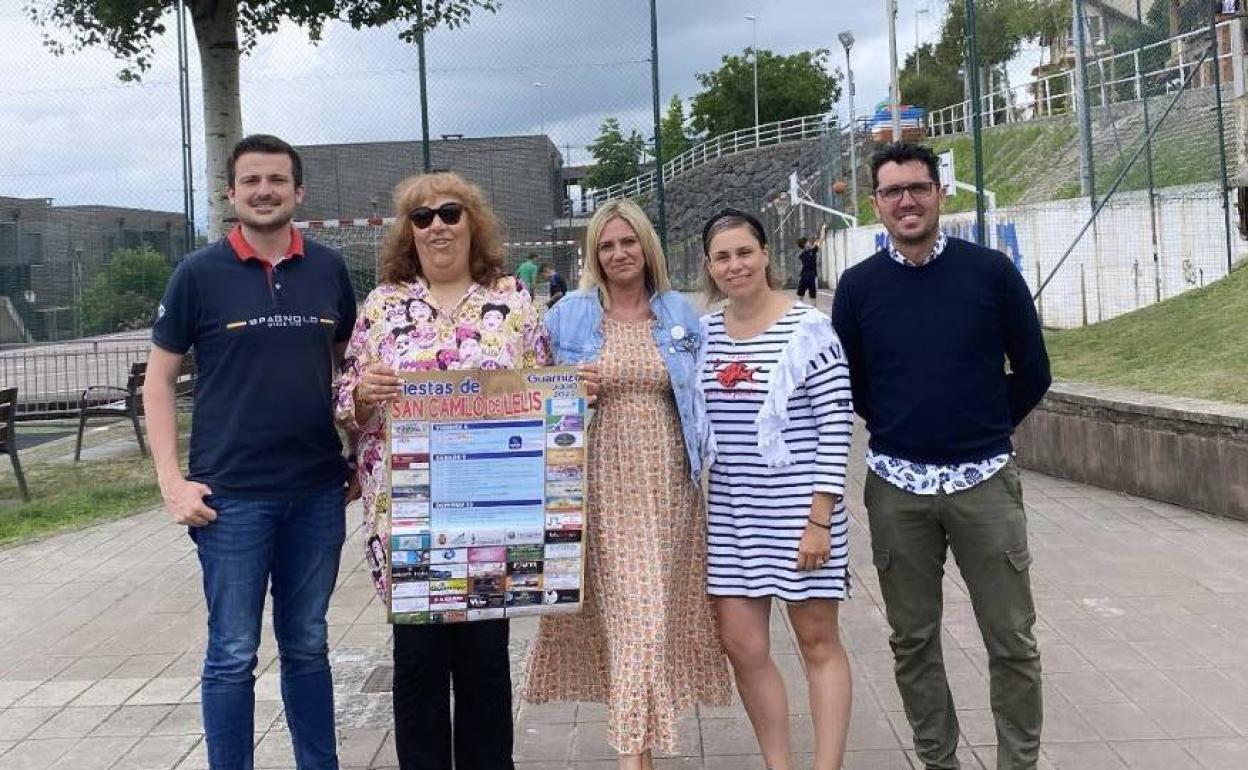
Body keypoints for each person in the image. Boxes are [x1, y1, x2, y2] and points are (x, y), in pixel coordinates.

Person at [831, 142, 1051, 770]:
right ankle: (939, 761)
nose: (907, 201)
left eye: (918, 188)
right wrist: (904, 426)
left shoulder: (991, 273)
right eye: (893, 191)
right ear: (876, 204)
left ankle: (1019, 762)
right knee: (913, 640)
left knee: (1011, 639)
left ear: (940, 193)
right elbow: (853, 382)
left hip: (985, 481)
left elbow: (1033, 370)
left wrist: (981, 427)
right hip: (897, 488)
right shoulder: (857, 288)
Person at [144, 134, 358, 770]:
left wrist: (355, 452)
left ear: (299, 193)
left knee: (308, 645)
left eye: (277, 180)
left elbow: (347, 366)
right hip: (231, 500)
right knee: (233, 652)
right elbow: (158, 381)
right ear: (231, 193)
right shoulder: (198, 275)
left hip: (318, 493)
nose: (264, 191)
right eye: (251, 181)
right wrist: (171, 483)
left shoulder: (328, 268)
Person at [334, 171, 549, 770]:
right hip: (410, 519)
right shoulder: (382, 305)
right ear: (409, 231)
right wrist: (363, 393)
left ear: (472, 222)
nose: (437, 227)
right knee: (420, 669)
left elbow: (544, 385)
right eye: (422, 217)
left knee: (485, 667)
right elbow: (344, 394)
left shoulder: (512, 300)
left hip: (493, 520)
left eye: (449, 213)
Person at [524, 199, 731, 770]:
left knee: (653, 618)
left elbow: (706, 392)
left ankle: (635, 745)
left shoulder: (680, 314)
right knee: (635, 620)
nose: (618, 254)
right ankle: (632, 758)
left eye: (628, 242)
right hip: (599, 483)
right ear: (594, 253)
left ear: (647, 247)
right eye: (607, 245)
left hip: (671, 487)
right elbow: (528, 395)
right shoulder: (567, 317)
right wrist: (564, 392)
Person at [699, 208, 854, 770]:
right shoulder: (705, 334)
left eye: (744, 252)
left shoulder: (809, 328)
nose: (735, 265)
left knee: (818, 644)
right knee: (744, 648)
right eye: (722, 257)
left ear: (765, 254)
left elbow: (837, 430)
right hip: (733, 518)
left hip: (801, 518)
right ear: (710, 267)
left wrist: (819, 520)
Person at [795, 233, 820, 301]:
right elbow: (818, 243)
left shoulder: (811, 251)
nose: (809, 242)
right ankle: (801, 307)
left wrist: (823, 229)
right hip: (806, 276)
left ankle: (814, 309)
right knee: (802, 295)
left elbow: (819, 241)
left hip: (810, 275)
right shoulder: (804, 254)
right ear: (804, 244)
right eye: (807, 242)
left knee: (812, 296)